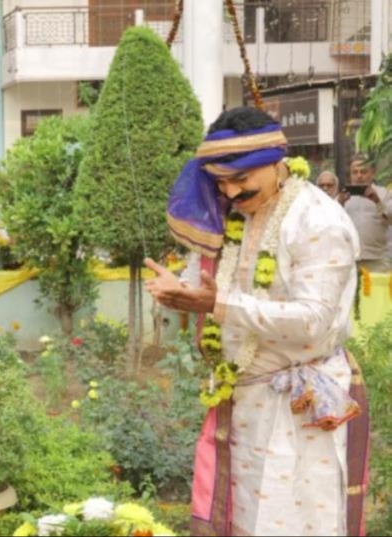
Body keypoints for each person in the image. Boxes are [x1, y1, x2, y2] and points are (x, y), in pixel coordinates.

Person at [146, 107, 369, 537]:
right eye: (220, 181)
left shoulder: (316, 221)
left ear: (275, 160)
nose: (230, 190)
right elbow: (212, 289)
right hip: (244, 402)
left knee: (297, 523)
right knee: (243, 519)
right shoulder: (238, 216)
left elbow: (316, 321)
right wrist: (186, 293)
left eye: (240, 177)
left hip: (301, 404)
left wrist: (219, 303)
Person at [339, 155, 392, 272]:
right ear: (350, 175)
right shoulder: (342, 197)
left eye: (363, 171)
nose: (359, 176)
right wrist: (339, 204)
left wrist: (377, 201)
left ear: (372, 173)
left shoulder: (384, 194)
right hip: (349, 260)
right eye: (355, 172)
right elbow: (329, 223)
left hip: (377, 260)